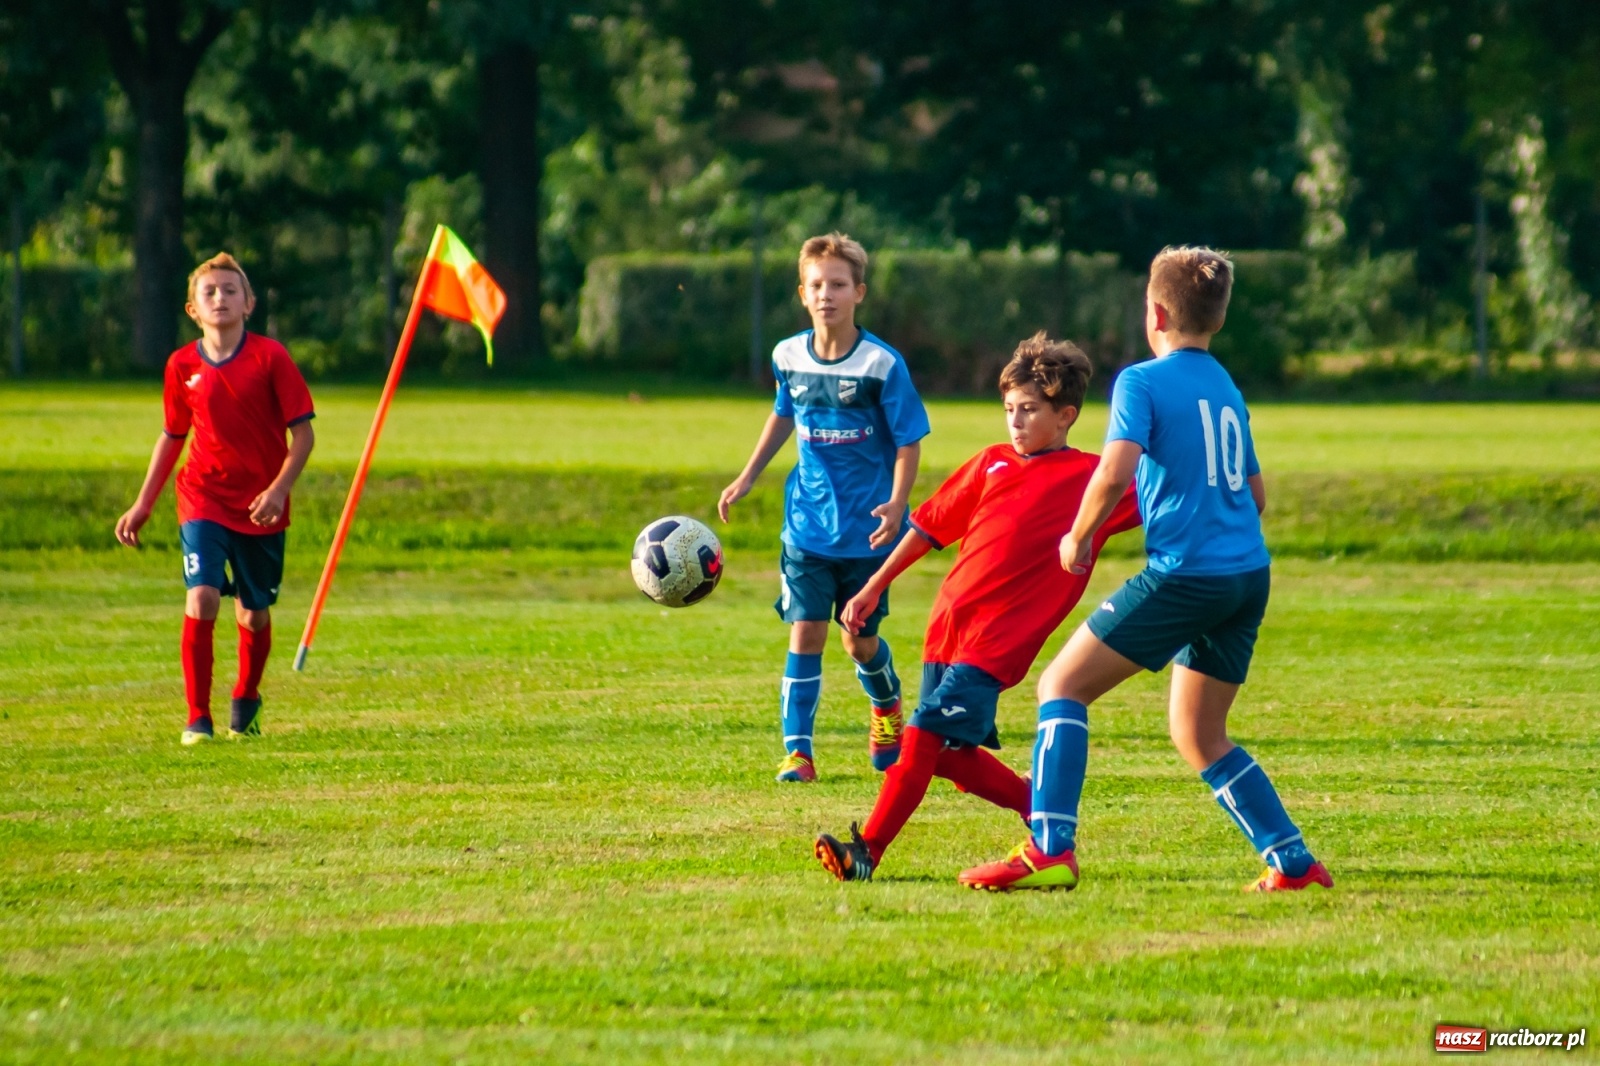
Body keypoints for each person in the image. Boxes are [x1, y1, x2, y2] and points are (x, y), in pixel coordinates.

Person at [960, 246, 1332, 893]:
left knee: (1061, 686)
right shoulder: (1225, 386)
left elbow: (1114, 470)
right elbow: (1257, 496)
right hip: (1247, 576)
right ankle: (1292, 862)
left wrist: (1078, 535)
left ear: (1155, 313)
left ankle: (1049, 848)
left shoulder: (1141, 381)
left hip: (1186, 575)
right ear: (1217, 318)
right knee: (1198, 732)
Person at [812, 333, 1140, 881]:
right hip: (948, 631)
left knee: (921, 734)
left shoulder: (1094, 480)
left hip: (996, 643)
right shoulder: (991, 463)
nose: (1015, 421)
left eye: (1029, 410)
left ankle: (866, 850)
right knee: (948, 756)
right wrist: (873, 585)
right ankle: (1039, 806)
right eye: (1009, 409)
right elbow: (928, 527)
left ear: (1066, 416)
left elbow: (1165, 497)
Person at [718, 233, 930, 783]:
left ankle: (886, 704)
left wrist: (897, 503)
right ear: (802, 293)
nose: (826, 294)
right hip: (807, 527)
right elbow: (783, 413)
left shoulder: (881, 364)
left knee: (858, 641)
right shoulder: (787, 356)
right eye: (816, 285)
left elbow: (908, 440)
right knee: (806, 631)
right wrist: (747, 476)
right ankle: (799, 753)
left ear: (859, 292)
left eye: (838, 285)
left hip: (868, 533)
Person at [115, 252, 316, 746]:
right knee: (202, 596)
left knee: (253, 612)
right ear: (193, 309)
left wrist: (278, 490)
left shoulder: (271, 358)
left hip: (261, 505)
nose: (220, 298)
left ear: (249, 303)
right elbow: (172, 435)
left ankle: (246, 697)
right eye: (209, 292)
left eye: (230, 290)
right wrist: (143, 504)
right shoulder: (181, 365)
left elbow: (304, 436)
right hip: (202, 496)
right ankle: (197, 718)